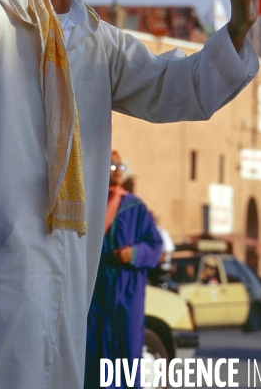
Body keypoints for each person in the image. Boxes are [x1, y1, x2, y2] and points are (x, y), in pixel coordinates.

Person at [0, 0, 261, 389]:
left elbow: (179, 86)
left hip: (71, 274)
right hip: (1, 270)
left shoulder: (98, 41)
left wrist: (236, 29)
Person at [85, 150, 162, 388]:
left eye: (120, 167)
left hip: (127, 292)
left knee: (126, 351)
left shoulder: (135, 208)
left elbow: (155, 246)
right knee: (93, 353)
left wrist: (134, 253)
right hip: (96, 292)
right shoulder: (90, 202)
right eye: (111, 167)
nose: (116, 171)